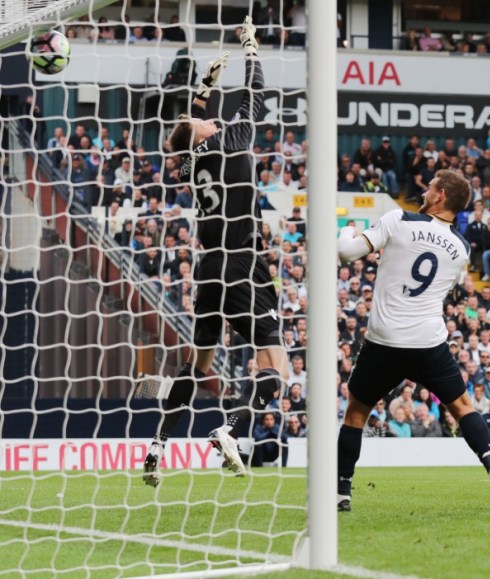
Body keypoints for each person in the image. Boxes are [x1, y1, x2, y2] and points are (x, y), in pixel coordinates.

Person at [143, 18, 284, 486]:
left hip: (208, 268)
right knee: (273, 362)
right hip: (243, 262)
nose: (211, 117)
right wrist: (250, 49)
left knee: (198, 364)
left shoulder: (189, 160)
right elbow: (255, 94)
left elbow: (188, 126)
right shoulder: (232, 140)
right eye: (206, 119)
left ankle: (158, 445)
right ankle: (230, 429)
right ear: (204, 132)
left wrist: (205, 86)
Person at [335, 170, 490, 512]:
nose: (424, 191)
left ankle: (341, 493)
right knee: (464, 408)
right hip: (428, 341)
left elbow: (347, 253)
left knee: (355, 415)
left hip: (385, 339)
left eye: (429, 187)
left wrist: (346, 229)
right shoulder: (461, 248)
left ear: (440, 196)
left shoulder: (398, 219)